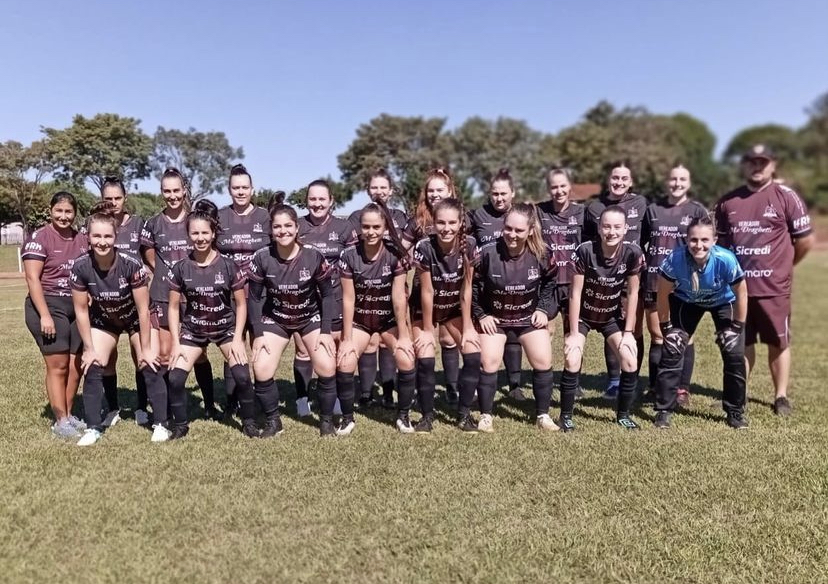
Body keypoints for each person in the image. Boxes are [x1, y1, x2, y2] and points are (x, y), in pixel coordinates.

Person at [714, 145, 814, 416]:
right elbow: (720, 247)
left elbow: (804, 241)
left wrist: (785, 266)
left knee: (778, 342)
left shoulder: (786, 197)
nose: (757, 166)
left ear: (773, 165)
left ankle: (780, 396)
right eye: (751, 161)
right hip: (737, 290)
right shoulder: (728, 202)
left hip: (774, 289)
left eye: (763, 162)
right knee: (740, 343)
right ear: (743, 165)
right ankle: (740, 393)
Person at [70, 203, 167, 445]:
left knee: (149, 362)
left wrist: (145, 348)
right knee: (92, 364)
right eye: (96, 236)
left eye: (107, 236)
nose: (102, 242)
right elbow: (81, 310)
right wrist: (89, 347)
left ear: (115, 237)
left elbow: (144, 310)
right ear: (88, 237)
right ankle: (93, 427)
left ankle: (161, 423)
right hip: (105, 319)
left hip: (136, 317)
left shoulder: (131, 265)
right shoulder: (80, 266)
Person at [248, 194, 338, 436]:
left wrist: (326, 332)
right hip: (277, 318)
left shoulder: (313, 255)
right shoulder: (262, 257)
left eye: (288, 225)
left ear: (297, 228)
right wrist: (258, 334)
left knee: (327, 364)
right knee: (261, 367)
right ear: (271, 230)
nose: (283, 231)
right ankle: (273, 422)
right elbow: (254, 298)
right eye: (277, 226)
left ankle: (327, 422)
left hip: (309, 317)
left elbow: (328, 295)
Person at [166, 200, 256, 439]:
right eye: (194, 233)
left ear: (213, 233)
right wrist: (176, 342)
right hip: (193, 331)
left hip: (225, 329)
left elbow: (241, 303)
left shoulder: (228, 265)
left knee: (242, 376)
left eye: (205, 232)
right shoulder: (181, 268)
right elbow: (174, 308)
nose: (200, 237)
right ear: (188, 235)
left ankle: (248, 422)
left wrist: (238, 339)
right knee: (174, 378)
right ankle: (181, 425)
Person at [653, 217, 748, 429]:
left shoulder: (726, 259)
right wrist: (666, 328)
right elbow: (662, 295)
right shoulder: (674, 259)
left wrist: (737, 327)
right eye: (694, 240)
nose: (699, 245)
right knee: (672, 348)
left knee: (734, 353)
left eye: (705, 240)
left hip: (723, 301)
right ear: (686, 240)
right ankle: (664, 409)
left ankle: (735, 411)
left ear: (714, 240)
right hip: (686, 301)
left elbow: (741, 293)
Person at [471, 202, 558, 433]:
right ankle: (486, 415)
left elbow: (551, 283)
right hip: (496, 319)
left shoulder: (542, 253)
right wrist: (482, 314)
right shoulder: (487, 253)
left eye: (519, 230)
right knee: (489, 361)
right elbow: (472, 288)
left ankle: (543, 415)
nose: (512, 234)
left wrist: (542, 309)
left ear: (530, 230)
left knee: (543, 360)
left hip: (527, 318)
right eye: (508, 228)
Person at [140, 168, 217, 423]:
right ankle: (170, 406)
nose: (172, 196)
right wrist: (161, 271)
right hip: (163, 294)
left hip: (194, 296)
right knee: (165, 353)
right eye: (167, 191)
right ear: (161, 192)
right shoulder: (153, 223)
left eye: (176, 190)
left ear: (184, 190)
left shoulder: (193, 221)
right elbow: (148, 253)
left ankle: (208, 404)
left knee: (199, 353)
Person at [559, 205, 644, 431]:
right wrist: (574, 333)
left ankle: (623, 415)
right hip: (583, 315)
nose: (611, 232)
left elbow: (634, 293)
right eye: (606, 226)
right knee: (572, 357)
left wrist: (628, 333)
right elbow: (575, 294)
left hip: (610, 316)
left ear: (626, 229)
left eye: (617, 227)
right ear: (599, 227)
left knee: (629, 359)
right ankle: (565, 416)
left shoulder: (633, 253)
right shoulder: (585, 250)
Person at [337, 202, 416, 434]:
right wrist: (347, 338)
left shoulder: (395, 254)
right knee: (346, 361)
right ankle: (347, 417)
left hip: (388, 322)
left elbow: (399, 298)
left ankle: (403, 415)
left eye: (376, 227)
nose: (371, 232)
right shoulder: (349, 255)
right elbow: (348, 299)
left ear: (384, 228)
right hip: (361, 321)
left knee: (406, 358)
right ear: (360, 228)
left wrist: (403, 336)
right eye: (366, 227)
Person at [412, 198, 481, 432]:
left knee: (472, 354)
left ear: (461, 223)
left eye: (452, 222)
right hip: (425, 309)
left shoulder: (470, 245)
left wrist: (469, 327)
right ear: (433, 223)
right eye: (441, 222)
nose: (446, 228)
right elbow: (427, 291)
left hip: (453, 308)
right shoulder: (424, 247)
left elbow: (467, 288)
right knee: (426, 356)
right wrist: (429, 330)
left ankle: (463, 415)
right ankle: (426, 416)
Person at [641, 166, 708, 405]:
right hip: (654, 281)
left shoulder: (697, 210)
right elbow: (642, 243)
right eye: (673, 178)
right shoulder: (653, 210)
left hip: (685, 284)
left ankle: (682, 389)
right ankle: (654, 386)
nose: (677, 183)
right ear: (667, 181)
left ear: (688, 183)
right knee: (658, 336)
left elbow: (705, 246)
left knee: (684, 336)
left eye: (682, 179)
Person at [23, 192, 88, 438]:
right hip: (49, 305)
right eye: (59, 211)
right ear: (51, 211)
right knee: (58, 365)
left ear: (74, 213)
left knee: (75, 365)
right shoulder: (39, 238)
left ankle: (69, 415)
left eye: (68, 212)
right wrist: (45, 315)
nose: (63, 216)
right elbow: (32, 278)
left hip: (77, 306)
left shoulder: (82, 239)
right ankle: (60, 421)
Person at [583, 163, 648, 399]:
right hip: (605, 277)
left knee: (634, 329)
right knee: (610, 326)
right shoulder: (595, 207)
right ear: (608, 180)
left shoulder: (641, 204)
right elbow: (588, 239)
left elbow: (647, 234)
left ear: (631, 182)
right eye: (615, 178)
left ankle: (632, 379)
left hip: (632, 276)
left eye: (624, 178)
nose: (619, 182)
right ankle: (612, 381)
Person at [347, 170, 408, 410]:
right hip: (364, 286)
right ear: (368, 190)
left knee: (386, 343)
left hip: (392, 283)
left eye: (383, 188)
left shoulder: (400, 217)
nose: (379, 192)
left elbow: (406, 249)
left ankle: (389, 392)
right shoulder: (357, 216)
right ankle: (365, 393)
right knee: (369, 343)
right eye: (374, 188)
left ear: (391, 191)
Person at [295, 179, 356, 417]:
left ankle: (337, 397)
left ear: (331, 201)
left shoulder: (344, 228)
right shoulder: (297, 226)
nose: (317, 204)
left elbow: (353, 260)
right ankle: (302, 398)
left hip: (338, 297)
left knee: (336, 349)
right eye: (312, 199)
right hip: (305, 300)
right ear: (306, 201)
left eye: (322, 199)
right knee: (303, 351)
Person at [404, 168, 463, 406]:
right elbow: (403, 250)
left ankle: (452, 387)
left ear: (450, 191)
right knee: (423, 341)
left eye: (440, 190)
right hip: (422, 287)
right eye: (431, 190)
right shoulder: (418, 221)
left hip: (451, 288)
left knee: (448, 340)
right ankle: (422, 389)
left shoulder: (461, 217)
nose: (435, 195)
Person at [216, 164, 271, 417]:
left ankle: (260, 397)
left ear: (252, 189)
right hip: (228, 295)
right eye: (235, 187)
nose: (240, 192)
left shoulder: (264, 217)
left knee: (258, 344)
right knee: (233, 346)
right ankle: (232, 400)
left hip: (260, 294)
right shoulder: (220, 217)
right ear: (229, 190)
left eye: (244, 187)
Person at [93, 176, 147, 427]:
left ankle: (142, 407)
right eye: (108, 198)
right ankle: (113, 408)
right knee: (108, 358)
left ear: (125, 199)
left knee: (141, 356)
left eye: (117, 198)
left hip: (133, 303)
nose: (113, 203)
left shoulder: (138, 224)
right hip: (106, 304)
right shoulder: (95, 226)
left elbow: (150, 259)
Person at [467, 168, 524, 401]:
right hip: (487, 287)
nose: (499, 198)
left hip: (518, 284)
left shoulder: (523, 214)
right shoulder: (478, 215)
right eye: (495, 194)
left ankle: (514, 385)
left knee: (512, 334)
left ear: (513, 193)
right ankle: (481, 381)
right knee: (487, 334)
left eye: (503, 193)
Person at [536, 169, 585, 396]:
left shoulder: (582, 213)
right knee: (545, 330)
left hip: (573, 282)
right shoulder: (539, 211)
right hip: (548, 283)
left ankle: (573, 382)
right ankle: (544, 378)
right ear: (549, 189)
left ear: (570, 186)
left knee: (573, 332)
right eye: (554, 187)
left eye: (563, 186)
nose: (559, 191)